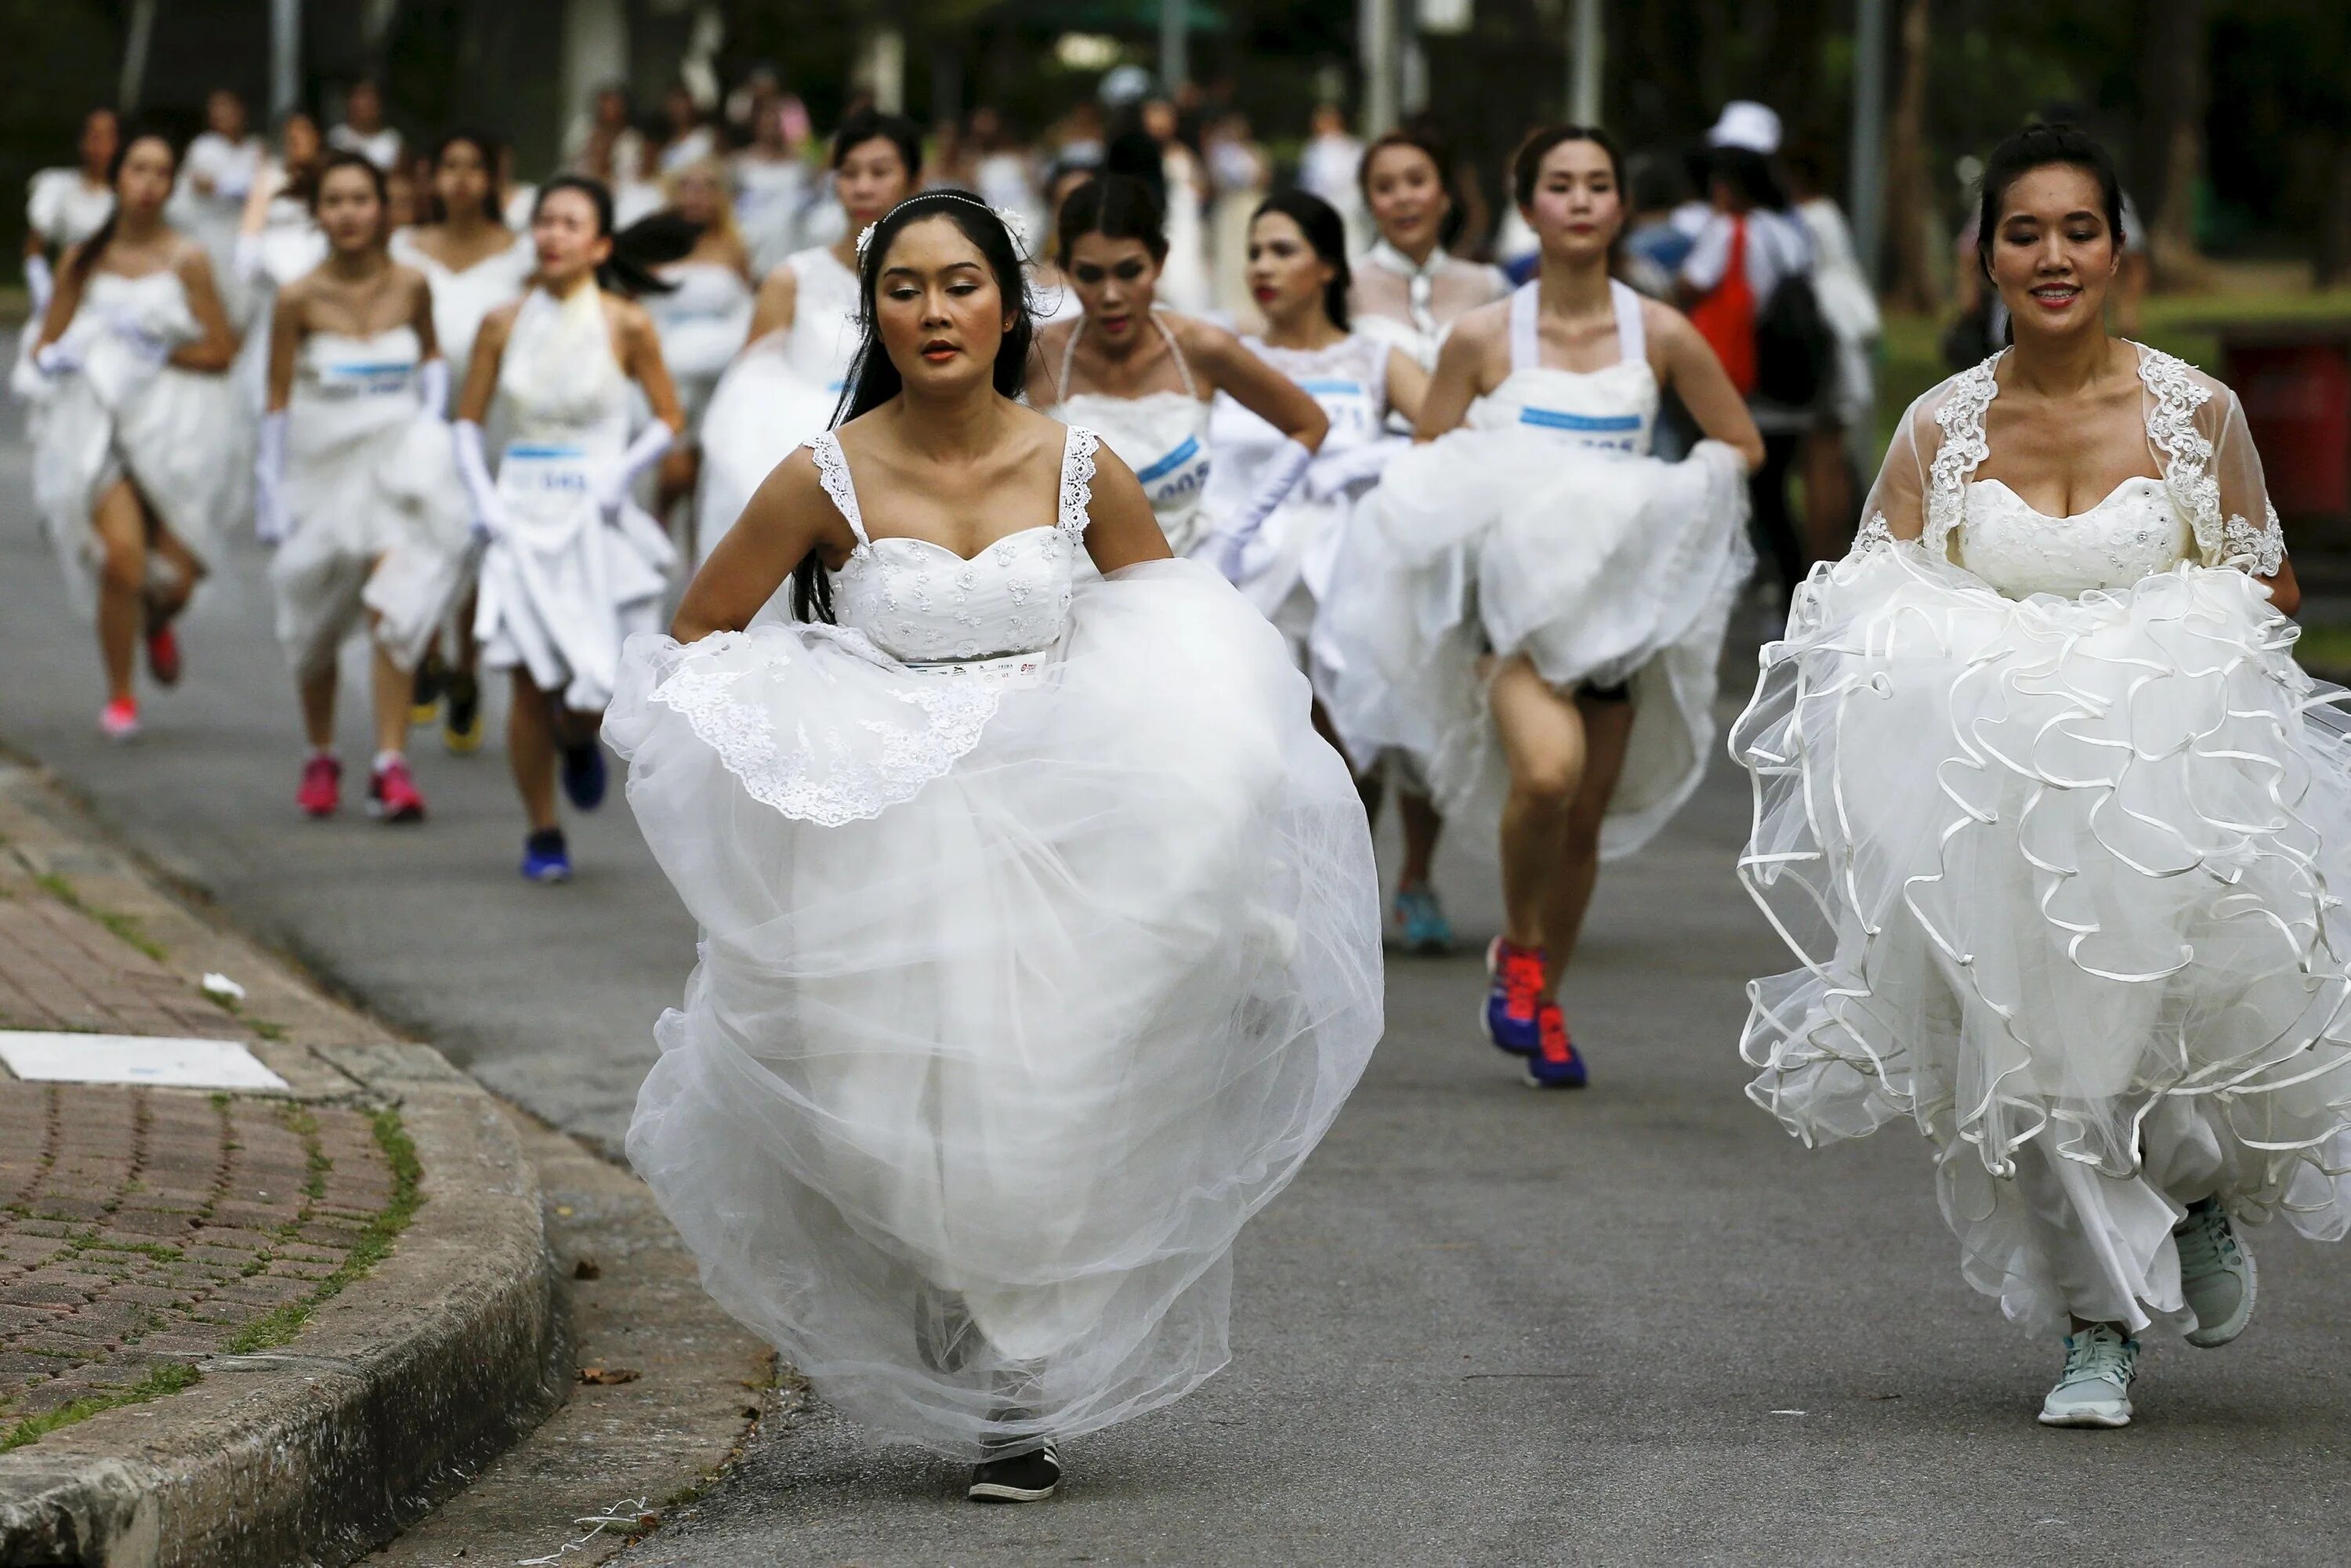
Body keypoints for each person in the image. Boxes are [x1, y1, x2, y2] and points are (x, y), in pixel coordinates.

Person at [603, 188, 1383, 1504]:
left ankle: (1018, 1386)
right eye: (904, 290)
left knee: (1045, 1094)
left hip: (1061, 814)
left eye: (960, 285)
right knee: (879, 1112)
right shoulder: (822, 474)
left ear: (1009, 303)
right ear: (875, 313)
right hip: (884, 825)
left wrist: (1208, 786)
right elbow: (695, 640)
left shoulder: (1080, 465)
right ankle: (955, 1288)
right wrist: (800, 725)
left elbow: (1176, 635)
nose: (934, 314)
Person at [1733, 122, 2351, 1429]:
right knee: (2037, 1061)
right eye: (2026, 232)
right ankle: (2097, 1329)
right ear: (1988, 256)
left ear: (2118, 250)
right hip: (1992, 799)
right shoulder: (1939, 425)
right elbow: (1865, 606)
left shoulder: (2198, 414)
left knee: (2162, 1051)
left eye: (2079, 230)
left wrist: (2153, 645)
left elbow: (2270, 587)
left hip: (2158, 779)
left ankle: (2193, 1194)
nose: (2053, 256)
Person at [1334, 125, 1761, 1087]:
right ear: (1530, 207)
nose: (1578, 201)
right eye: (1558, 186)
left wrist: (1661, 499)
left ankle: (1542, 994)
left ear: (1619, 207)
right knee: (1547, 774)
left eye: (1597, 184)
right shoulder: (1483, 337)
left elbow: (1738, 443)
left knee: (1583, 822)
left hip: (1621, 613)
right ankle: (1520, 946)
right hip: (1516, 609)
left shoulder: (1661, 332)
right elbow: (1430, 458)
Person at [453, 176, 685, 882]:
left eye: (569, 222)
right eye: (544, 221)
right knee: (526, 676)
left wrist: (625, 470)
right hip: (523, 505)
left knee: (591, 686)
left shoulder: (628, 323)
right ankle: (542, 828)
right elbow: (467, 418)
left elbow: (670, 418)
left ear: (600, 244)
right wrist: (482, 494)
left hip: (595, 512)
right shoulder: (500, 322)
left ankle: (580, 738)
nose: (552, 234)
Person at [255, 152, 468, 821]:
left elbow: (433, 359)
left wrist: (431, 424)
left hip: (397, 470)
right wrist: (269, 492)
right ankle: (321, 752)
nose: (348, 213)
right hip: (320, 472)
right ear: (317, 212)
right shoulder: (296, 298)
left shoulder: (413, 285)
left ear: (383, 207)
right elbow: (277, 398)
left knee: (393, 604)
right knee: (313, 622)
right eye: (334, 201)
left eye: (360, 199)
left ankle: (390, 763)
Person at [1339, 129, 1510, 954]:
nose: (1403, 197)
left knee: (1440, 686)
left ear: (1445, 192)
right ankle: (1349, 878)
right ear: (1369, 200)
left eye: (1418, 181)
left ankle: (1418, 876)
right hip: (1376, 502)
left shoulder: (1486, 283)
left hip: (1470, 504)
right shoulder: (1346, 285)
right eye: (1386, 185)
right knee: (1366, 688)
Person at [24, 131, 241, 738]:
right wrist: (78, 354)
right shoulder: (82, 258)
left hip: (174, 429)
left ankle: (156, 621)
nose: (150, 183)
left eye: (162, 172)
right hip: (99, 428)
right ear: (117, 178)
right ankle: (120, 694)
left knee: (176, 575)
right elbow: (47, 343)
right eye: (139, 169)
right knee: (121, 560)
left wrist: (156, 353)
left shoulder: (189, 258)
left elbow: (222, 349)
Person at [1027, 175, 1324, 563]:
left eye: (1129, 271)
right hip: (1066, 591)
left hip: (1183, 581)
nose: (1111, 295)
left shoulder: (1201, 347)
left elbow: (1309, 422)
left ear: (1160, 260)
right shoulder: (1037, 353)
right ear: (1066, 268)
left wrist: (1234, 535)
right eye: (1091, 275)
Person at [693, 108, 917, 565]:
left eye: (880, 172)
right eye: (848, 173)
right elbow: (747, 394)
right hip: (811, 463)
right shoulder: (792, 279)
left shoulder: (929, 280)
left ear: (913, 179)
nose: (862, 187)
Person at [390, 132, 536, 751]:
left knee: (477, 535)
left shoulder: (521, 254)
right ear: (431, 177)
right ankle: (423, 647)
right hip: (417, 412)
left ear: (493, 178)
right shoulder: (405, 250)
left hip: (491, 413)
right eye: (448, 166)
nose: (460, 180)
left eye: (474, 167)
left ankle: (467, 666)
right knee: (421, 527)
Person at [1679, 103, 1817, 607]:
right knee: (1777, 498)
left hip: (1741, 379)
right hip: (1790, 377)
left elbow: (1693, 283)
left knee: (1732, 491)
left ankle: (1723, 591)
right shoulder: (1791, 230)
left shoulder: (1727, 231)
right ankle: (1795, 596)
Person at [640, 159, 755, 527]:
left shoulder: (733, 247)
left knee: (707, 477)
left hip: (718, 377)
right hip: (664, 375)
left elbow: (748, 309)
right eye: (687, 185)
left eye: (707, 186)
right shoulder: (652, 246)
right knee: (669, 475)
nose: (696, 195)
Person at [1783, 142, 1880, 563]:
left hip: (1825, 339)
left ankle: (1822, 552)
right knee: (1830, 453)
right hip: (1839, 335)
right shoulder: (1825, 214)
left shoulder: (1807, 219)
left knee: (1823, 455)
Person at [21, 108, 120, 320]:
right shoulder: (57, 187)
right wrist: (43, 291)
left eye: (106, 136)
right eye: (92, 135)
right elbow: (34, 245)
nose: (98, 144)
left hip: (112, 307)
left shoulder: (127, 199)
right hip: (65, 300)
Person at [172, 89, 266, 311]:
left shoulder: (256, 147)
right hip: (211, 235)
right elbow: (202, 184)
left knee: (249, 298)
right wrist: (240, 185)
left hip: (248, 234)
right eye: (216, 109)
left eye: (227, 108)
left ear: (241, 112)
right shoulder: (203, 146)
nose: (222, 114)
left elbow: (265, 183)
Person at [328, 80, 402, 172]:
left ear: (379, 107)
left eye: (369, 104)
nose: (364, 109)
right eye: (359, 103)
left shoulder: (391, 139)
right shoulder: (337, 136)